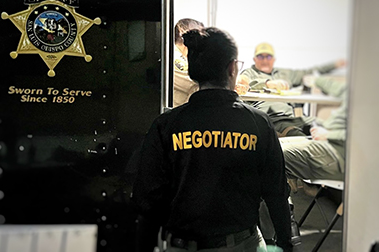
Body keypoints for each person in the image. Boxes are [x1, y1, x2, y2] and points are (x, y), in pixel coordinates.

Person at [132, 27, 293, 252]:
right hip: (242, 246)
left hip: (181, 246)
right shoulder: (258, 124)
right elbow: (276, 194)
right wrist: (287, 243)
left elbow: (147, 203)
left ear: (193, 71)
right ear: (232, 68)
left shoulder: (167, 125)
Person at [238, 42, 346, 137]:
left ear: (274, 59)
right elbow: (243, 82)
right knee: (301, 138)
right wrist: (267, 84)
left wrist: (335, 64)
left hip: (293, 117)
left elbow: (309, 72)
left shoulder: (284, 74)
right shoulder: (249, 73)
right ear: (255, 59)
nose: (265, 60)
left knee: (329, 126)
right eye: (261, 57)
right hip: (272, 119)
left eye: (269, 57)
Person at [280, 76, 347, 189]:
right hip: (331, 142)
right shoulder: (362, 90)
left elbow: (364, 136)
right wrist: (315, 80)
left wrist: (328, 134)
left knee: (273, 155)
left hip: (340, 155)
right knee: (272, 146)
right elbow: (341, 89)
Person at [173, 18, 204, 107]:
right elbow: (196, 83)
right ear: (182, 33)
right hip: (178, 115)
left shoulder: (186, 56)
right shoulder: (174, 58)